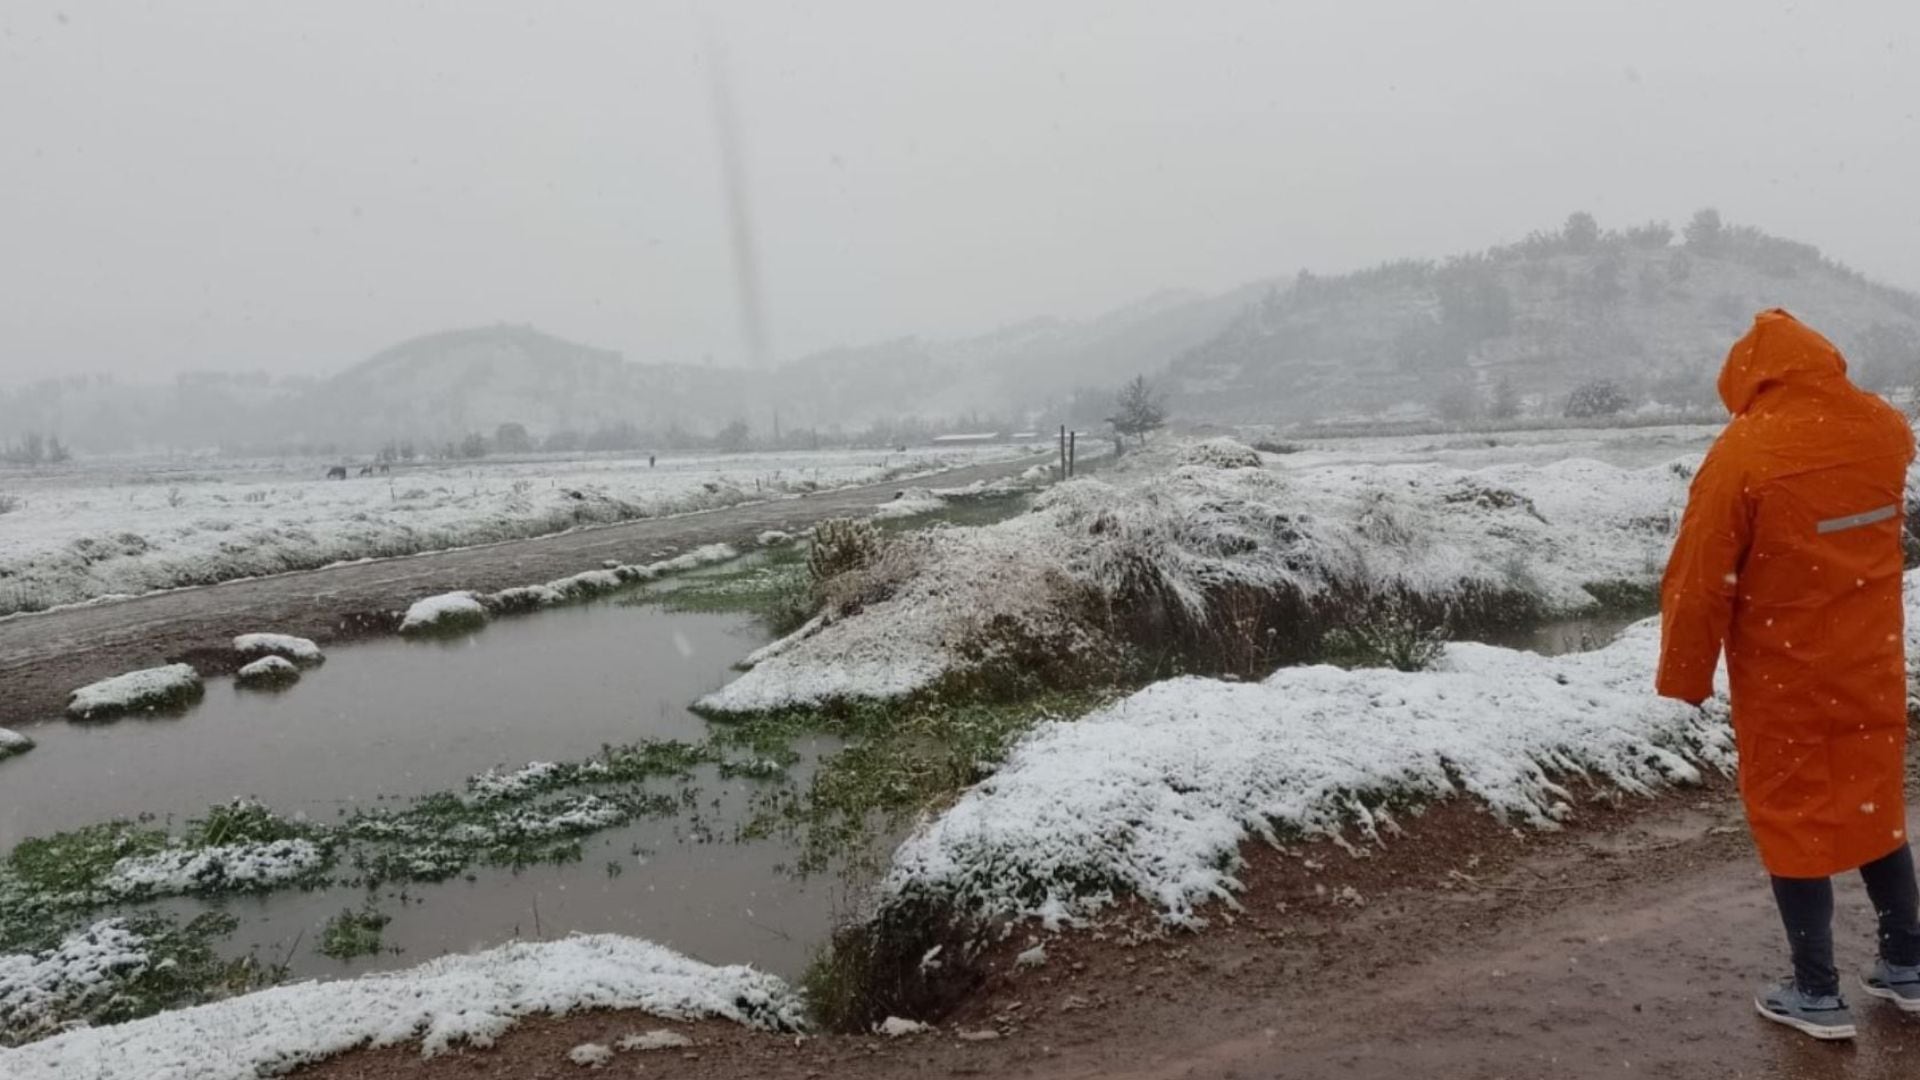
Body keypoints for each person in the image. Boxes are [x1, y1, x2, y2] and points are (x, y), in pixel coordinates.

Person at [1659, 308, 1920, 1041]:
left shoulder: (1744, 452)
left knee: (1794, 817)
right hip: (1869, 660)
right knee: (1872, 805)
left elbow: (1698, 578)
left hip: (1787, 672)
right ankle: (1908, 963)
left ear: (1748, 375)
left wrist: (1685, 674)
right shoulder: (1882, 429)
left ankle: (1817, 992)